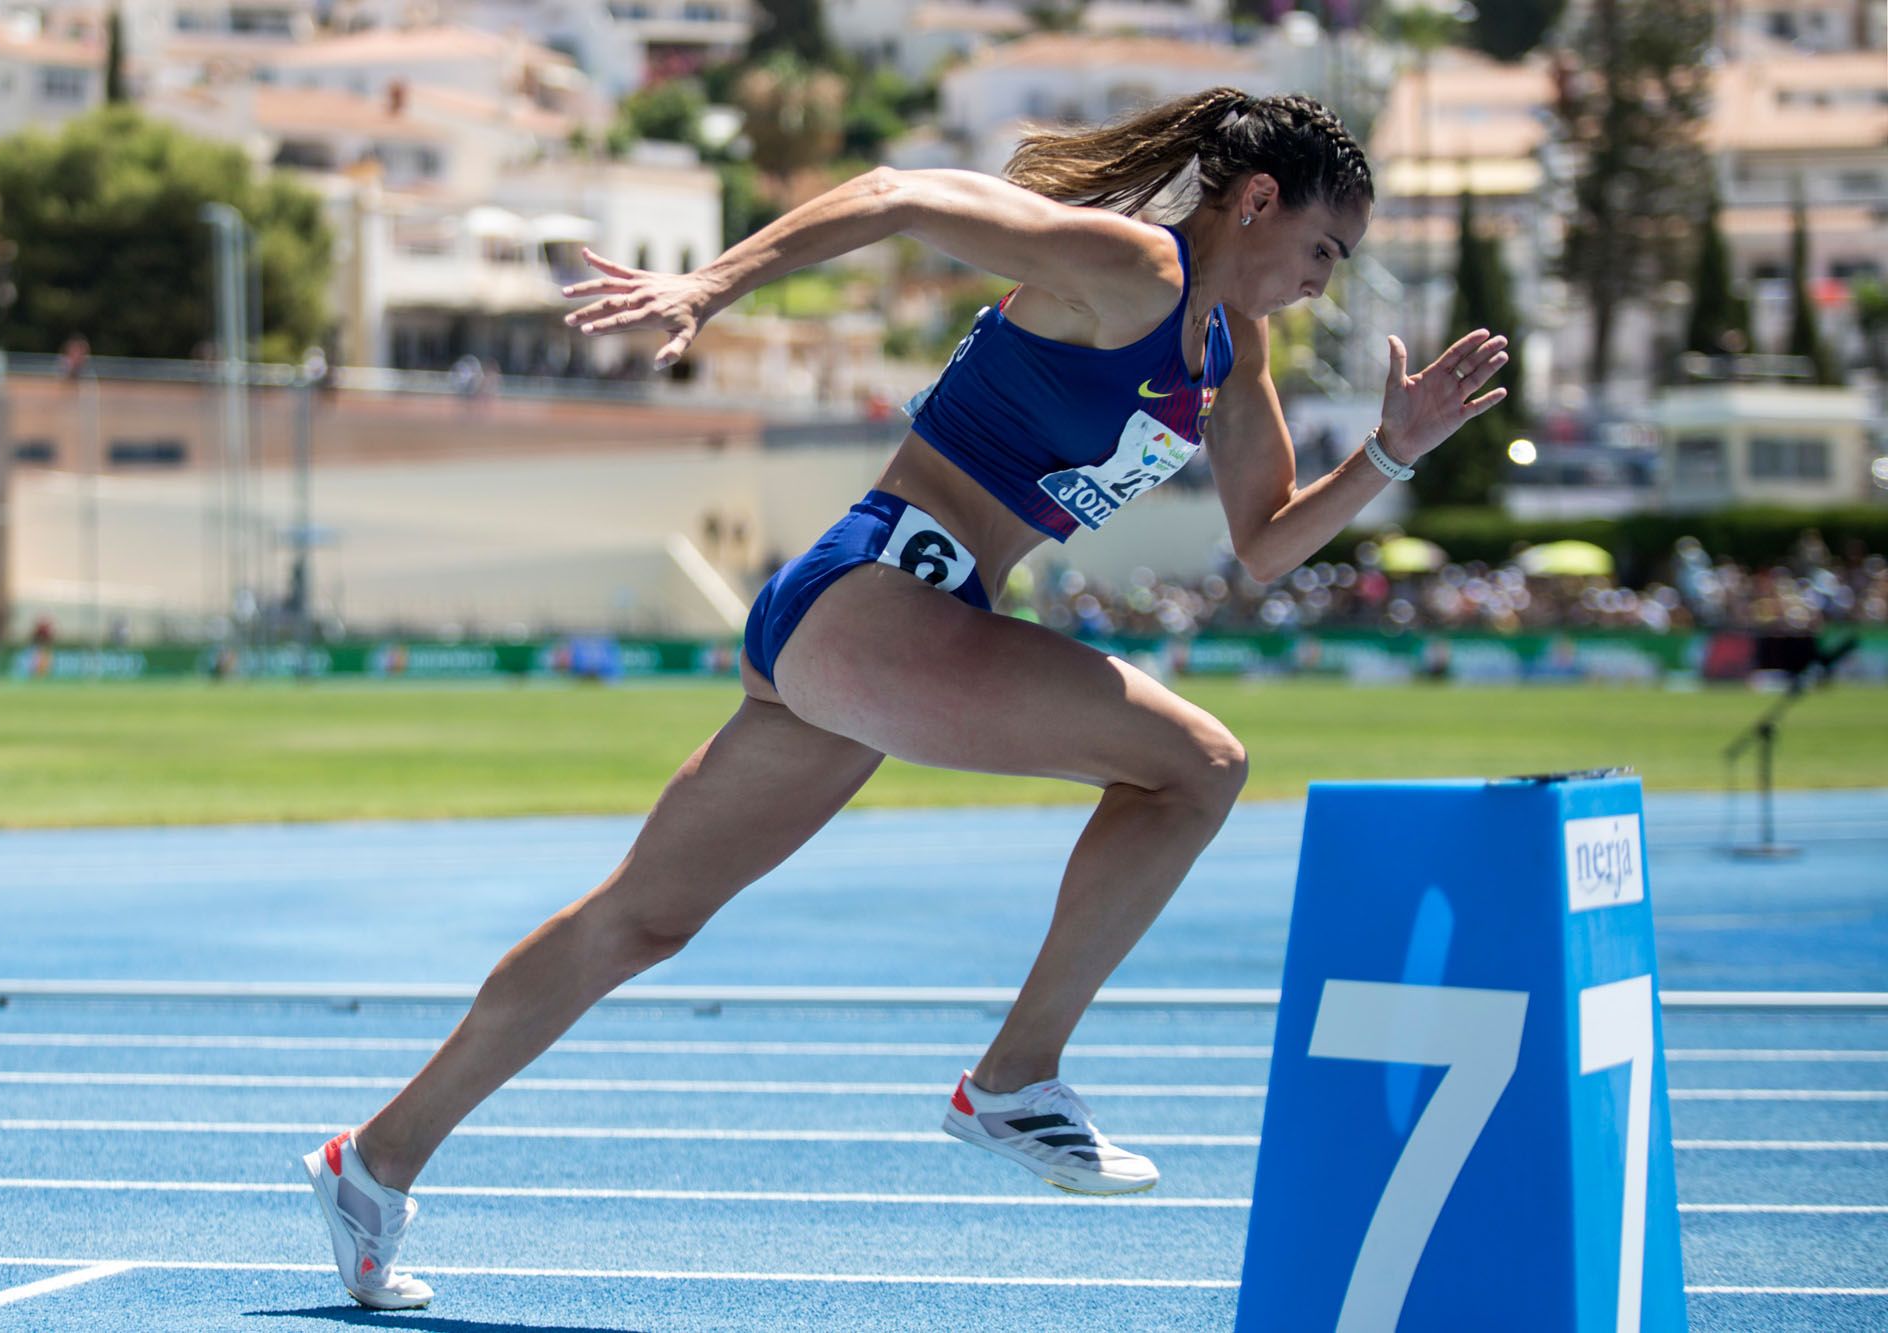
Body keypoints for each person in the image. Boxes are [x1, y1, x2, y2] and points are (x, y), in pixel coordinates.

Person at [299, 87, 1508, 1310]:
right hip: (876, 595)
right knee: (1197, 767)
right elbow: (896, 196)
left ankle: (374, 1161)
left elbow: (1262, 545)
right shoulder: (1128, 269)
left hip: (877, 624)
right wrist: (706, 287)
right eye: (1321, 250)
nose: (1323, 281)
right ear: (1256, 201)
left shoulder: (1224, 349)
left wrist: (1390, 454)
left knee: (640, 922)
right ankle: (1013, 1080)